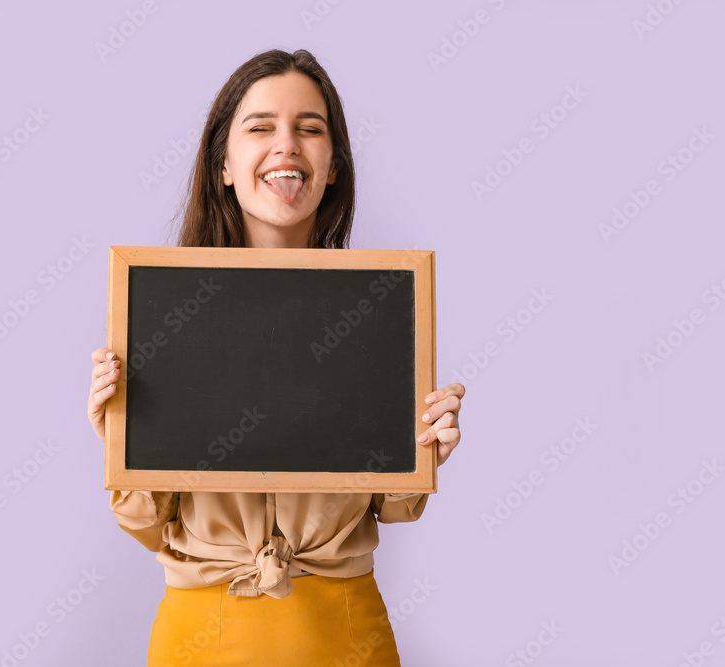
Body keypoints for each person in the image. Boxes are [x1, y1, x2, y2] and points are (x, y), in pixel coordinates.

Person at [88, 48, 466, 666]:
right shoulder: (164, 309)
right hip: (199, 635)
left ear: (334, 165)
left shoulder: (376, 306)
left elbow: (393, 507)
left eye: (310, 129)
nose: (286, 145)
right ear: (224, 166)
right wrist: (123, 435)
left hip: (343, 633)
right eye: (260, 127)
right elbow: (151, 526)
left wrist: (423, 448)